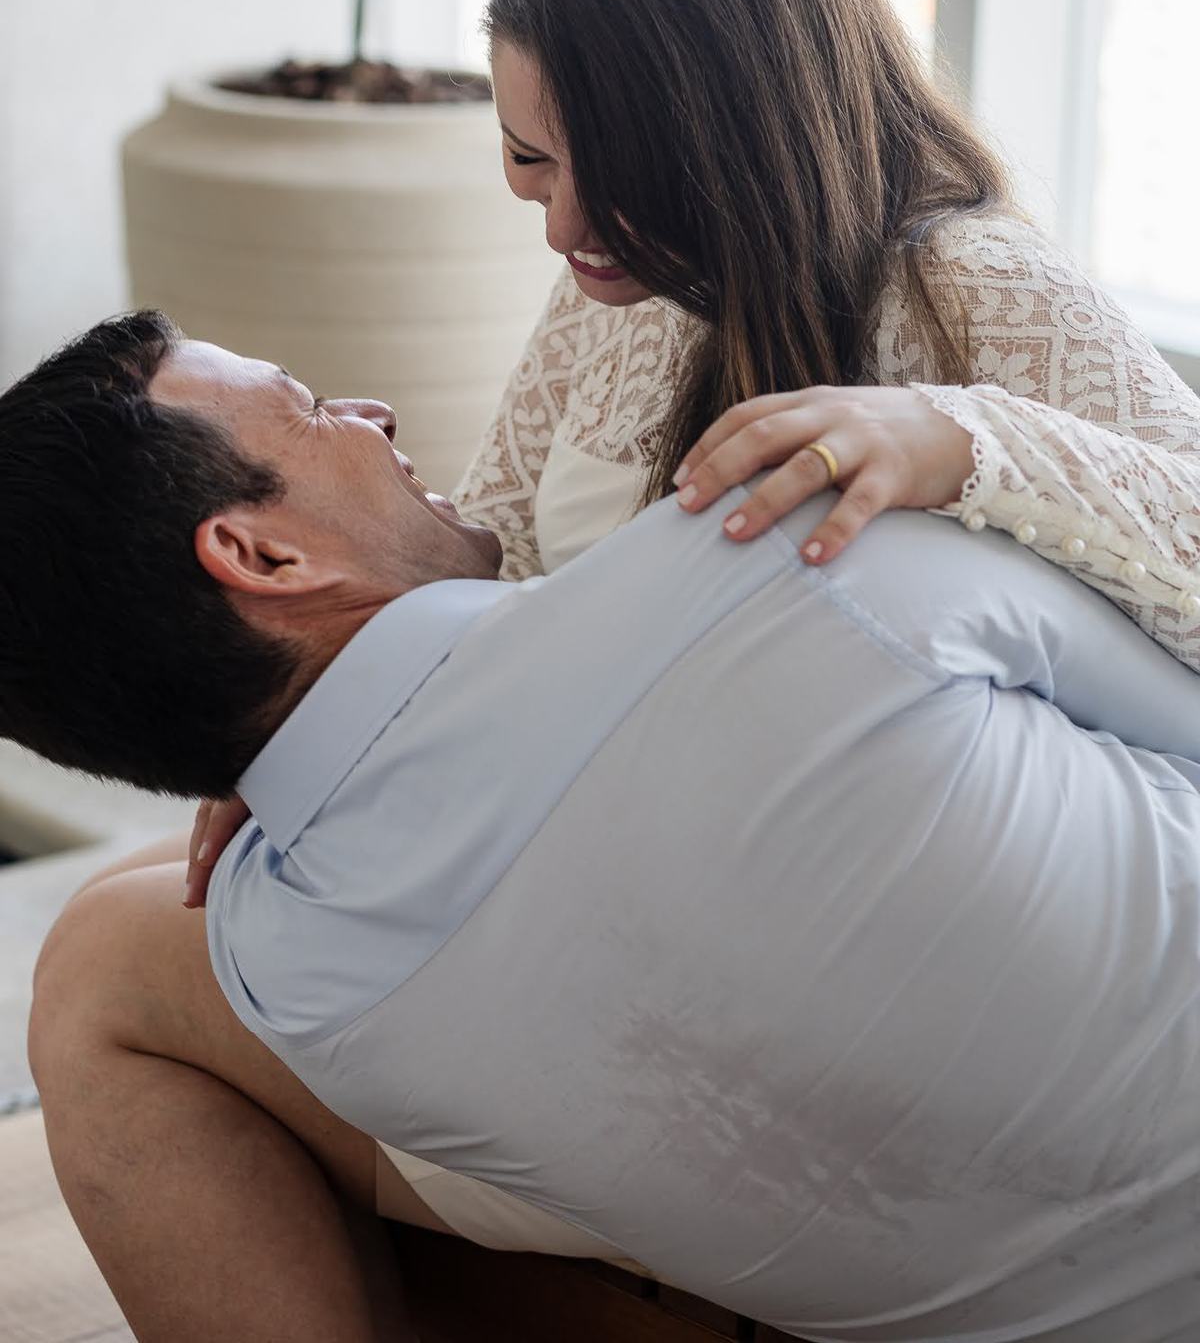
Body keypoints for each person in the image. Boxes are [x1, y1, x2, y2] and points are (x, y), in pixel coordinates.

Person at [5, 313, 1200, 1343]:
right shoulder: (780, 539)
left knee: (102, 949)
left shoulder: (291, 980)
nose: (368, 412)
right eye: (310, 412)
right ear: (259, 553)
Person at [455, 0, 1200, 676]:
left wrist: (963, 444)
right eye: (528, 157)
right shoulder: (624, 271)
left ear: (760, 137)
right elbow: (495, 558)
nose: (564, 229)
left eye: (629, 178)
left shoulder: (973, 287)